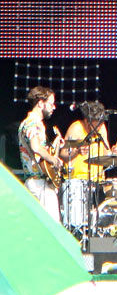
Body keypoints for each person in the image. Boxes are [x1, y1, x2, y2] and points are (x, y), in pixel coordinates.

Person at [18, 86, 63, 222]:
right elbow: (35, 147)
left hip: (36, 182)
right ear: (40, 103)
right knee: (53, 226)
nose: (53, 107)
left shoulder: (32, 123)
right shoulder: (33, 122)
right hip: (38, 183)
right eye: (51, 103)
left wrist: (55, 147)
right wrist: (53, 160)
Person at [59, 101, 117, 182]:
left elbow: (106, 156)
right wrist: (77, 151)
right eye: (96, 125)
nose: (98, 128)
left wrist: (114, 154)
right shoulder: (76, 128)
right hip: (78, 180)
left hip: (98, 180)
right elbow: (63, 154)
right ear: (87, 121)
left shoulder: (102, 129)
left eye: (101, 124)